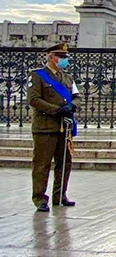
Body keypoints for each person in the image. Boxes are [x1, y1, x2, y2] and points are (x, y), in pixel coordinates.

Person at [27, 42, 80, 212]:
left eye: (66, 57)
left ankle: (60, 195)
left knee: (64, 163)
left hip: (64, 127)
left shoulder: (67, 77)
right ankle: (40, 198)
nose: (65, 60)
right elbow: (34, 99)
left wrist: (72, 106)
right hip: (45, 127)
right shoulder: (37, 75)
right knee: (42, 164)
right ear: (51, 57)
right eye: (61, 57)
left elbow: (77, 96)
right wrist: (56, 110)